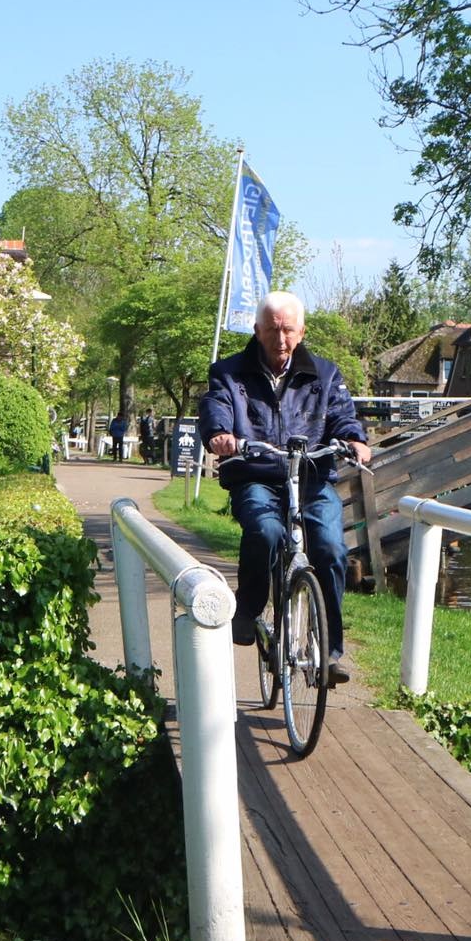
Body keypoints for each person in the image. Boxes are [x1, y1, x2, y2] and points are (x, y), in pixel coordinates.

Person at [199, 291, 372, 683]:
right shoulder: (229, 372)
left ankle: (328, 652)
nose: (281, 339)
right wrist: (220, 435)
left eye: (289, 330)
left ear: (302, 332)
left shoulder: (325, 375)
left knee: (328, 548)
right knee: (266, 531)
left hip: (311, 478)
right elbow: (216, 406)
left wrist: (355, 440)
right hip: (257, 475)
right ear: (257, 330)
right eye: (273, 329)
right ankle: (248, 611)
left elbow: (343, 416)